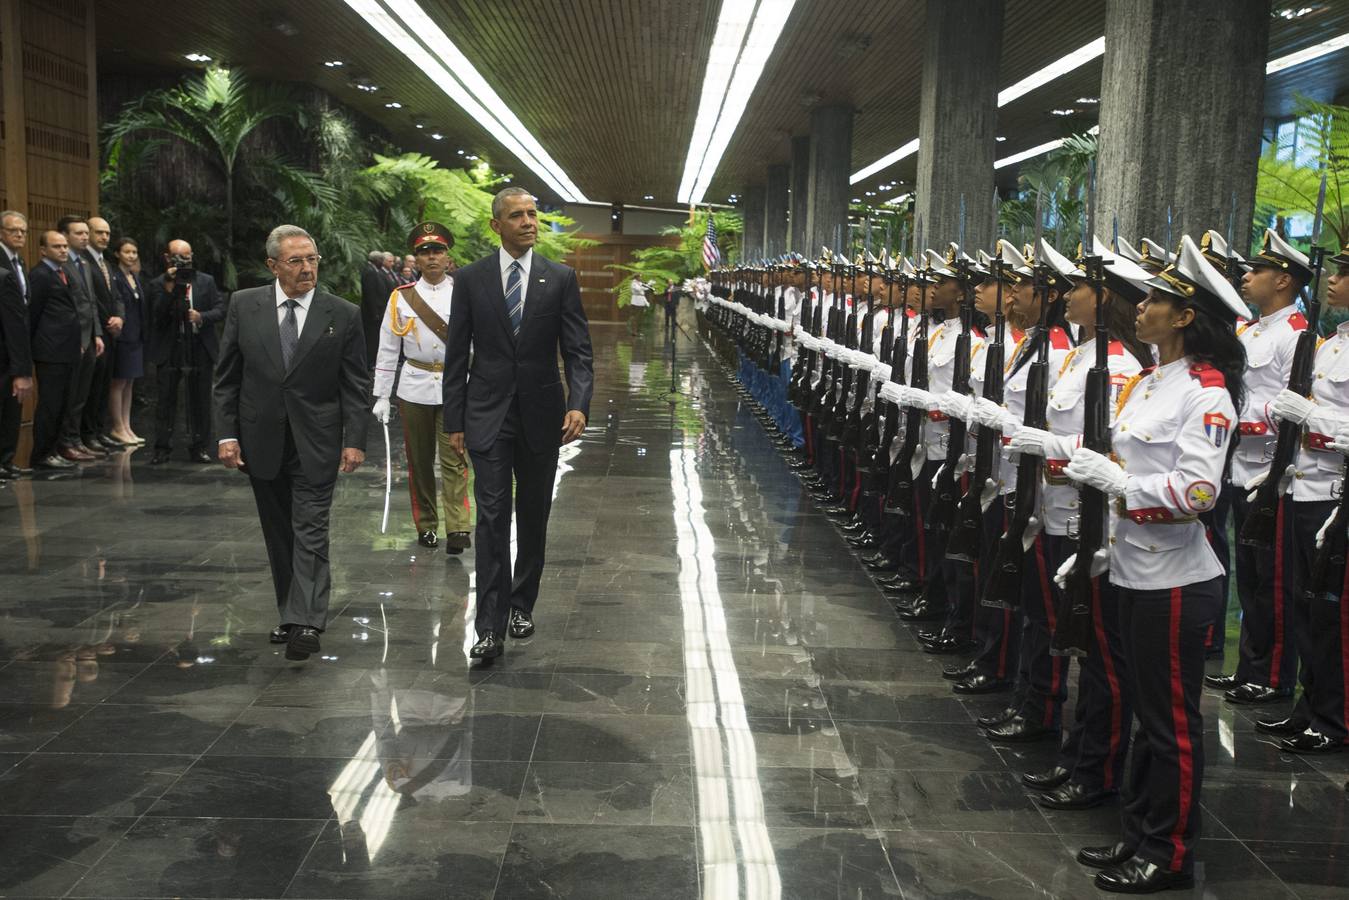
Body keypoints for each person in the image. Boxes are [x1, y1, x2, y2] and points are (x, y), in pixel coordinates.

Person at [1063, 233, 1246, 893]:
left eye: (1155, 300)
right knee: (1143, 711)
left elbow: (1198, 494)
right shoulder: (1148, 379)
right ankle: (1137, 832)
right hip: (1131, 569)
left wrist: (1115, 485)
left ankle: (1167, 854)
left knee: (1170, 724)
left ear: (1186, 315)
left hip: (1175, 581)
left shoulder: (1206, 392)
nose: (1139, 308)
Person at [1003, 237, 1153, 806]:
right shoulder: (1076, 357)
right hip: (1055, 511)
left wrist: (1052, 445)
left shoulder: (1119, 368)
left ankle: (1097, 768)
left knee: (1098, 657)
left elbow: (1106, 450)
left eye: (1079, 288)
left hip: (1086, 525)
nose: (1067, 296)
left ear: (1106, 297)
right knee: (1058, 633)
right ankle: (1076, 754)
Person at [442, 186, 594, 660]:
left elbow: (578, 350)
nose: (529, 222)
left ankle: (521, 603)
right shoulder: (470, 279)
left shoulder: (560, 277)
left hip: (542, 415)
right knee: (490, 518)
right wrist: (454, 419)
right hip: (486, 414)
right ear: (496, 225)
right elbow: (456, 353)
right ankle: (487, 628)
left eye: (532, 214)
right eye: (517, 215)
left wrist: (580, 403)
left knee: (532, 515)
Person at [213, 225, 370, 662]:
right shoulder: (245, 305)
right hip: (260, 438)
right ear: (273, 266)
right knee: (279, 533)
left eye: (312, 259)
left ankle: (308, 622)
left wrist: (354, 440)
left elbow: (355, 384)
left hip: (316, 439)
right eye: (296, 261)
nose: (307, 269)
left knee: (311, 529)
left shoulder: (342, 313)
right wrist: (226, 434)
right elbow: (227, 377)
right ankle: (290, 612)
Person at [1203, 229, 1309, 705]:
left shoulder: (1297, 334)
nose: (1247, 277)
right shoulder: (1250, 330)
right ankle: (1249, 665)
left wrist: (1243, 416)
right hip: (1238, 467)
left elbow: (1294, 404)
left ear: (1283, 280)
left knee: (1273, 582)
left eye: (1258, 271)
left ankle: (1273, 675)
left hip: (1271, 472)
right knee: (1248, 578)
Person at [1256, 238, 1349, 754]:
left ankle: (1333, 719)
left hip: (1334, 494)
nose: (1332, 280)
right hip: (1300, 482)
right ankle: (1308, 708)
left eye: (1343, 272)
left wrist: (1310, 417)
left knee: (1331, 613)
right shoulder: (1331, 341)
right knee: (1302, 604)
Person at [372, 222, 472, 553]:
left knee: (455, 456)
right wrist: (382, 394)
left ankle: (458, 527)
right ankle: (427, 524)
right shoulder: (401, 297)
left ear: (447, 257)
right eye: (424, 252)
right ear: (416, 259)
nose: (431, 258)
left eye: (438, 251)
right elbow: (388, 347)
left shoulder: (464, 293)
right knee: (419, 460)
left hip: (455, 385)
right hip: (414, 385)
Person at [28, 230, 102, 469]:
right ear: (43, 250)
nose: (62, 250)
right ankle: (42, 453)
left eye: (63, 246)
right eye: (56, 246)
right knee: (50, 405)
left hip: (69, 349)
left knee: (65, 403)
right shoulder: (40, 274)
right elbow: (34, 315)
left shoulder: (63, 273)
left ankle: (56, 448)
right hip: (51, 351)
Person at [148, 239, 225, 464]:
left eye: (187, 258)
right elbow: (157, 316)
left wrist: (201, 317)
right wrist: (170, 288)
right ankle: (162, 447)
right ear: (167, 258)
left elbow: (220, 309)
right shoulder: (158, 284)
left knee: (201, 399)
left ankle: (200, 446)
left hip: (200, 346)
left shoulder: (206, 281)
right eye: (178, 258)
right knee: (165, 400)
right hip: (170, 347)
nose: (183, 262)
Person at [55, 216, 103, 460]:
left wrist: (97, 333)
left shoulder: (84, 263)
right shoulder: (61, 265)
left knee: (82, 394)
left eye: (86, 233)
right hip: (72, 340)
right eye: (78, 233)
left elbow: (91, 302)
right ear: (64, 235)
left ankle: (76, 438)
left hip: (89, 337)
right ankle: (65, 441)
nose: (85, 237)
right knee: (70, 394)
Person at [80, 216, 124, 450]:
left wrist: (120, 317)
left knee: (103, 385)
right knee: (89, 387)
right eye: (99, 232)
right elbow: (90, 301)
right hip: (94, 332)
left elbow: (116, 296)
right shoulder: (82, 261)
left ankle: (98, 430)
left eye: (107, 233)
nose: (104, 237)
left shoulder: (106, 263)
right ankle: (87, 434)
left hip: (111, 333)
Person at [107, 237, 147, 445]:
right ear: (117, 254)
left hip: (136, 336)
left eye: (134, 252)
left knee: (129, 383)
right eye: (127, 252)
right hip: (122, 337)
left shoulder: (133, 276)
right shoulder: (115, 276)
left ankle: (127, 425)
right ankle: (117, 426)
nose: (131, 256)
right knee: (119, 382)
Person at [0, 211, 30, 477]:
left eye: (23, 231)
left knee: (12, 408)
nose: (19, 234)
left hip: (15, 350)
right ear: (1, 232)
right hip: (5, 349)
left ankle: (6, 461)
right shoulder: (2, 269)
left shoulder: (19, 262)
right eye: (13, 230)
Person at [360, 249, 390, 366]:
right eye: (381, 260)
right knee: (371, 338)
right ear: (376, 260)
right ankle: (369, 362)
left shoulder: (373, 270)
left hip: (375, 312)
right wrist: (375, 313)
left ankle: (372, 360)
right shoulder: (370, 271)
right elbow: (370, 294)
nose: (382, 263)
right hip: (371, 314)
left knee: (374, 338)